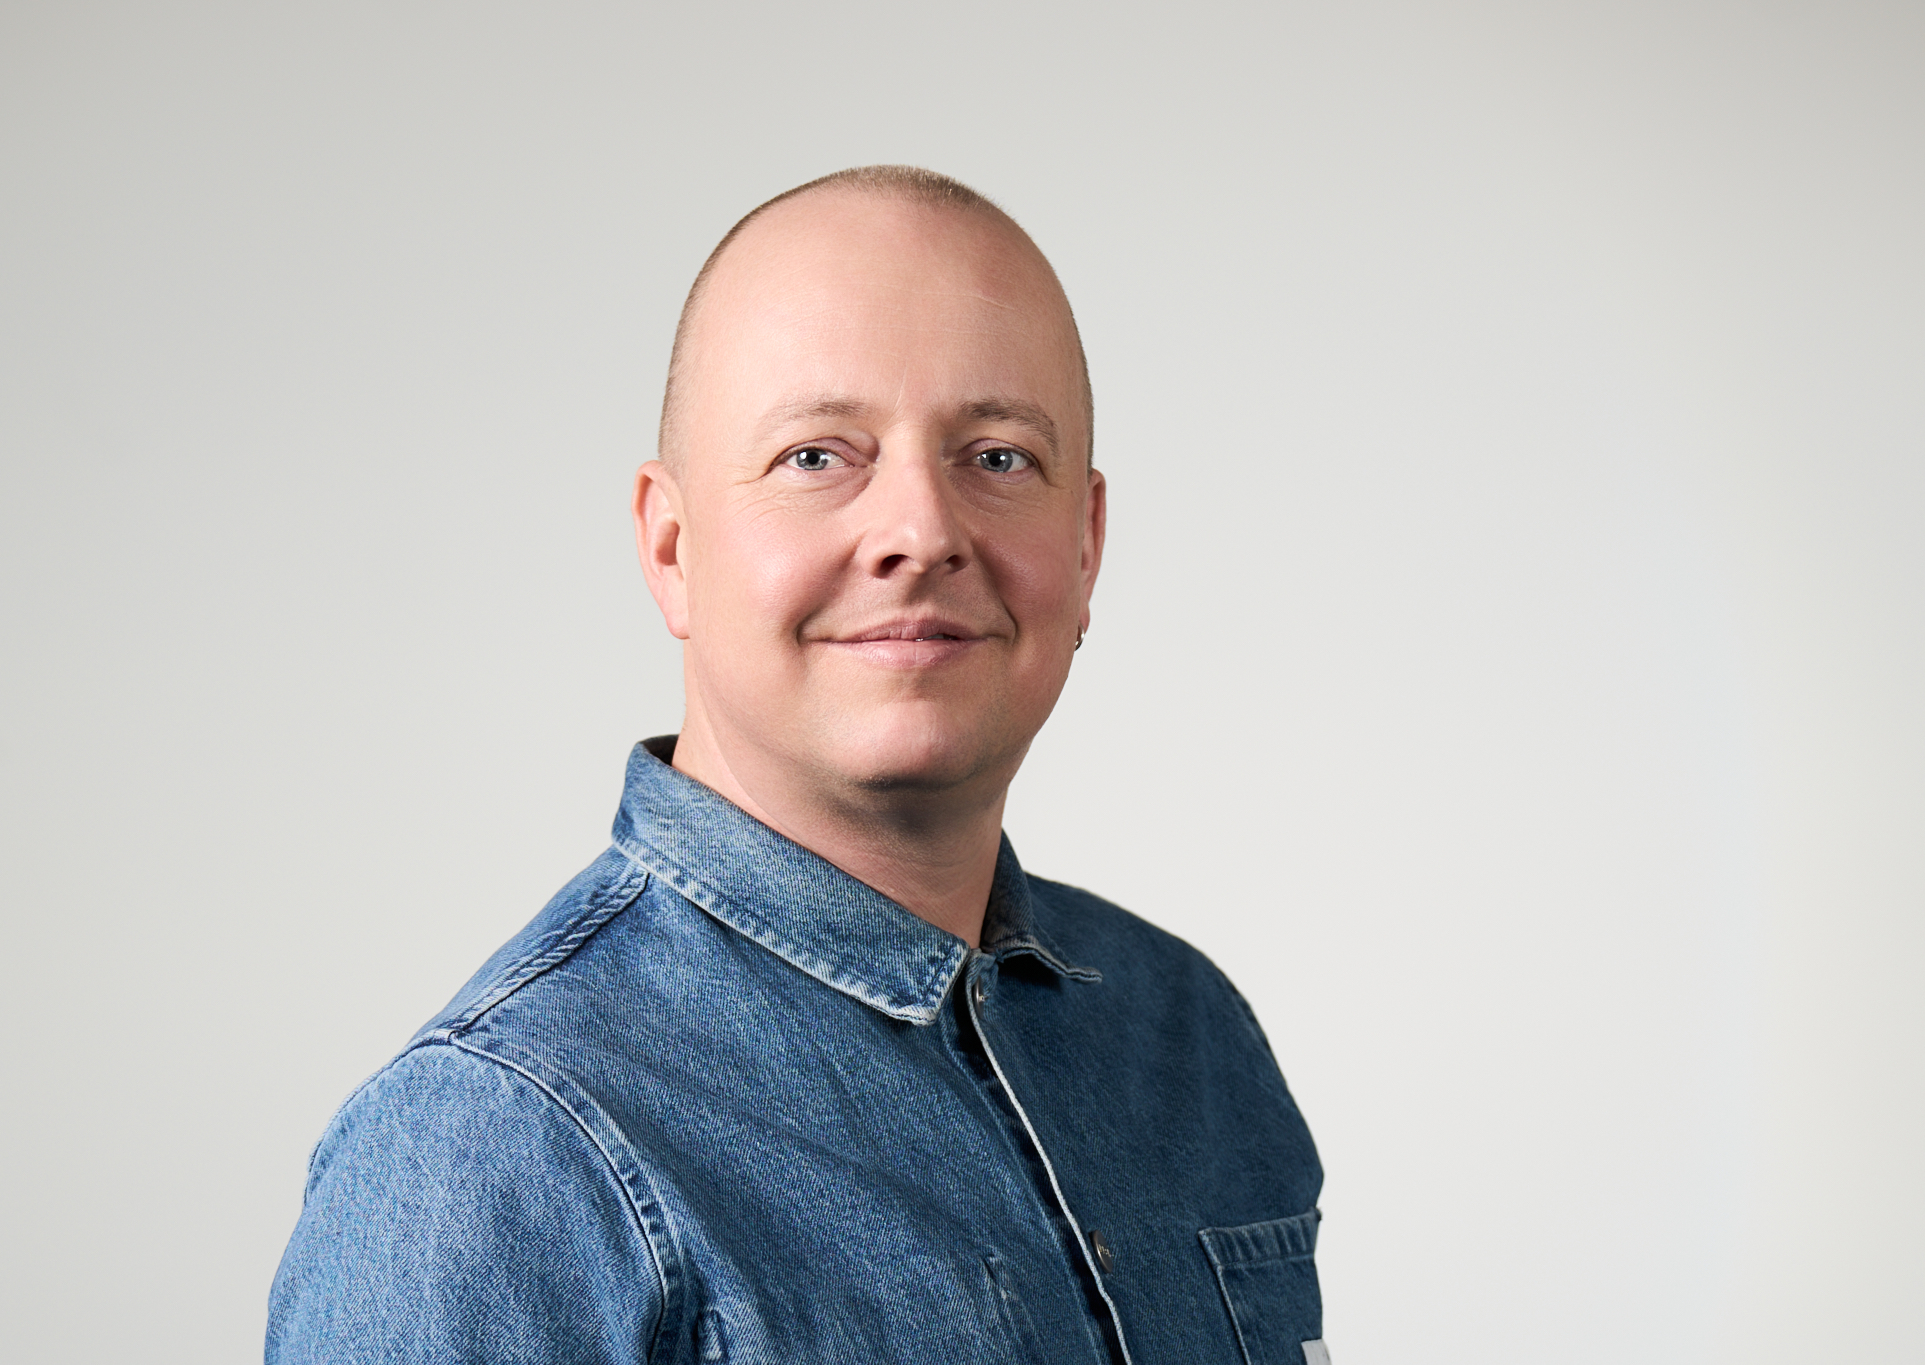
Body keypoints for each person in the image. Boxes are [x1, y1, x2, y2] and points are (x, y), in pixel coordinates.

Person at [266, 165, 1326, 1365]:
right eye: (816, 457)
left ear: (1085, 546)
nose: (921, 532)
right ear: (671, 548)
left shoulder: (1181, 1033)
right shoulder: (499, 1148)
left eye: (996, 458)